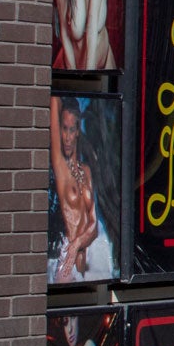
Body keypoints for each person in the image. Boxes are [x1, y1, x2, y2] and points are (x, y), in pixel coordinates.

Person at [49, 96, 112, 282]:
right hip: (66, 263)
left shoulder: (86, 171)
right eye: (63, 129)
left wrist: (78, 243)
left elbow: (93, 227)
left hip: (82, 261)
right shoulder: (61, 169)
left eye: (72, 130)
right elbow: (54, 103)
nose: (67, 137)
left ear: (77, 132)